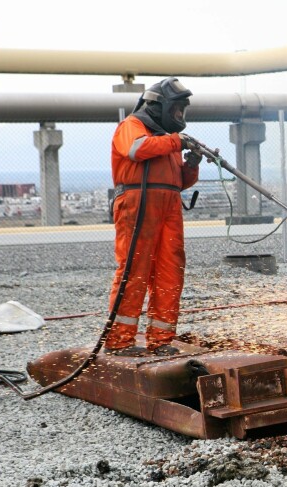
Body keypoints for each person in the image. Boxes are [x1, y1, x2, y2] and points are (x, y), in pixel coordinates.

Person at [104, 77, 203, 356]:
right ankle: (119, 341)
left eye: (182, 111)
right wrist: (175, 141)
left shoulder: (166, 139)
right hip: (137, 203)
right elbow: (136, 150)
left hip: (168, 206)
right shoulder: (132, 126)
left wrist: (191, 165)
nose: (179, 115)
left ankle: (161, 339)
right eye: (177, 109)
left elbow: (176, 182)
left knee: (170, 270)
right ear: (160, 106)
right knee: (134, 270)